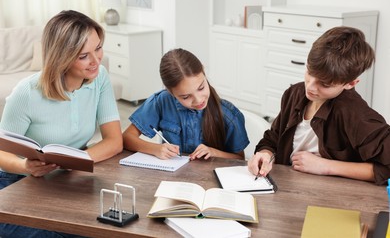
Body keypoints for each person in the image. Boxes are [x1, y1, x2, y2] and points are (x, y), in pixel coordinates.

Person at [0, 10, 122, 237]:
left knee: (104, 227)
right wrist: (25, 166)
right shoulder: (26, 93)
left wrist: (76, 161)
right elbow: (1, 154)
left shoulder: (100, 78)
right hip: (16, 182)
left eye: (98, 48)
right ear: (62, 57)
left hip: (65, 177)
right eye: (84, 55)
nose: (96, 61)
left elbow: (114, 141)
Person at [248, 26, 390, 185]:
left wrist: (327, 166)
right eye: (309, 72)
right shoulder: (294, 93)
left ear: (350, 84)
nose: (310, 87)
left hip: (331, 198)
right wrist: (265, 153)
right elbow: (273, 138)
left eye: (325, 84)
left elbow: (386, 168)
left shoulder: (355, 113)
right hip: (286, 187)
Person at [123, 48, 249, 160]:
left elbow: (239, 159)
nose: (198, 100)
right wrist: (155, 149)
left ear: (204, 72)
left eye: (201, 88)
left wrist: (212, 152)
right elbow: (127, 137)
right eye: (185, 96)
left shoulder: (228, 114)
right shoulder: (162, 101)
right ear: (170, 92)